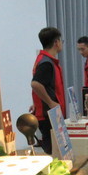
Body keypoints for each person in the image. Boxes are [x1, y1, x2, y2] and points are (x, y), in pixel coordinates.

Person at [31, 27, 66, 155]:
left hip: (47, 113)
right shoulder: (47, 63)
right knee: (55, 152)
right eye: (61, 41)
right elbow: (35, 84)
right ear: (56, 42)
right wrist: (50, 102)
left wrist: (38, 100)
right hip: (48, 116)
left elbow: (42, 85)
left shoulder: (43, 60)